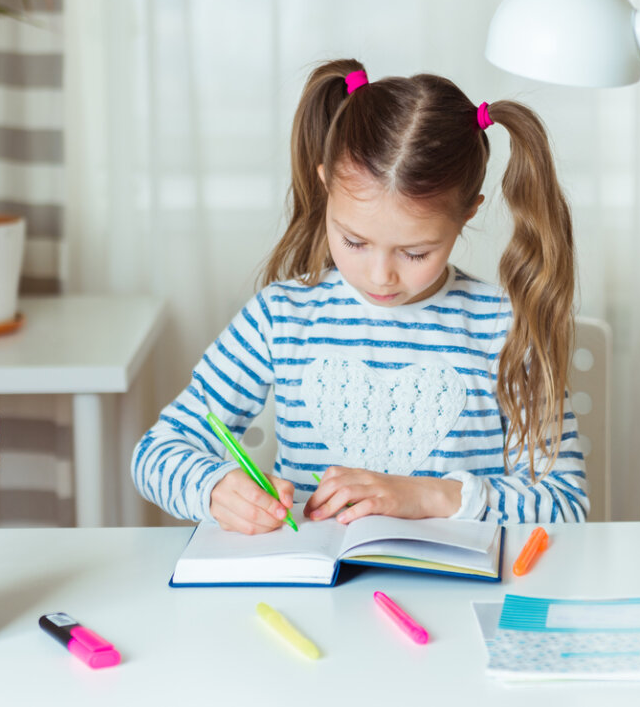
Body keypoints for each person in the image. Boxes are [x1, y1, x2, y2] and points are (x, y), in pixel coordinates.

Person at [132, 59, 587, 534]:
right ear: (326, 183)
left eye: (415, 252)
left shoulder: (502, 328)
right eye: (353, 241)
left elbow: (565, 503)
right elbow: (155, 453)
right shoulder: (280, 317)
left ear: (469, 212)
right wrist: (214, 487)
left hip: (453, 596)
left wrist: (427, 496)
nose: (379, 275)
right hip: (315, 593)